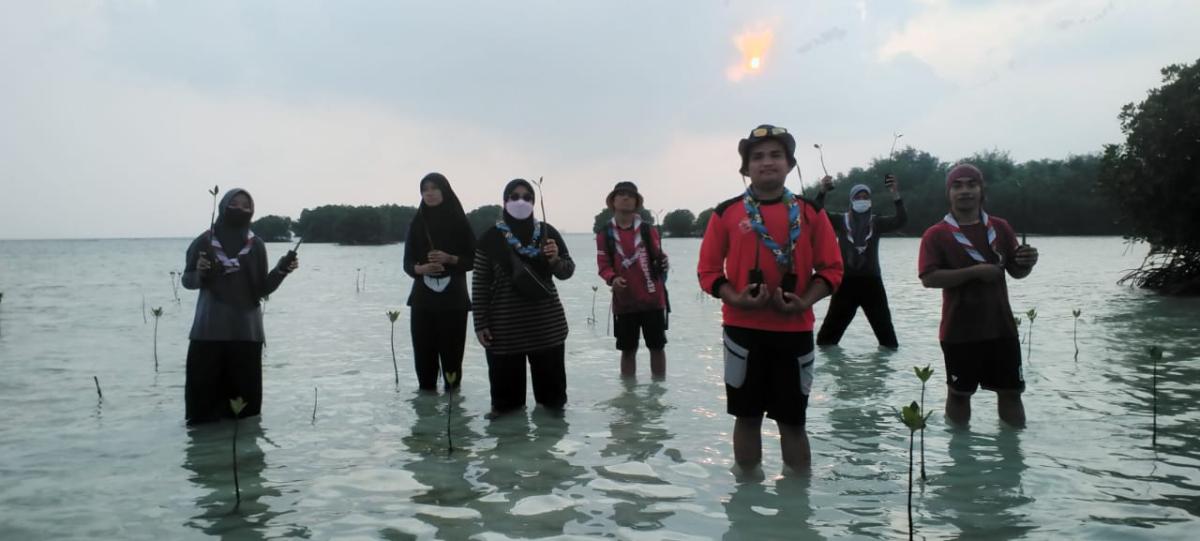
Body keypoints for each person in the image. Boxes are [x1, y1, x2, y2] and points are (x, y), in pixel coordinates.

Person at [697, 124, 843, 472]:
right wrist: (736, 297)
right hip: (742, 330)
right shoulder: (726, 213)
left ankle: (797, 506)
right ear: (745, 168)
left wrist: (805, 301)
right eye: (757, 156)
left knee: (793, 422)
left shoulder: (811, 213)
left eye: (776, 155)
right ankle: (746, 503)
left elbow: (833, 269)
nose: (767, 162)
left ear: (790, 165)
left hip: (795, 332)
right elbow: (708, 272)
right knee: (746, 418)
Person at [918, 163, 1039, 428]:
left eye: (971, 184)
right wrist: (974, 272)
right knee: (959, 395)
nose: (965, 191)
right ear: (948, 193)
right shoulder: (936, 234)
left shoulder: (1000, 227)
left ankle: (1013, 459)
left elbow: (1016, 272)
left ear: (982, 190)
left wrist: (1027, 262)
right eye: (957, 185)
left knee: (1011, 393)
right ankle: (961, 460)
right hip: (959, 331)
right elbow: (928, 278)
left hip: (1001, 327)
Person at [182, 188, 298, 424]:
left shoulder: (256, 245)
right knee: (200, 413)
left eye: (247, 206)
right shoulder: (204, 240)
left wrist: (282, 270)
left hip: (247, 334)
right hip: (208, 333)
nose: (241, 209)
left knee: (246, 416)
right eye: (235, 204)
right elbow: (187, 280)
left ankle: (243, 457)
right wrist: (201, 274)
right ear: (223, 207)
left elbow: (262, 289)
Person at [472, 179, 575, 416]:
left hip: (547, 329)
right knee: (506, 410)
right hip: (504, 331)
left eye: (527, 197)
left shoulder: (548, 233)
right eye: (514, 196)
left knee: (553, 407)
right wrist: (480, 323)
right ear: (505, 201)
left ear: (534, 202)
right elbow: (479, 285)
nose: (521, 201)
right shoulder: (489, 238)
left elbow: (567, 272)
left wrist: (555, 260)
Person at [814, 176, 906, 348]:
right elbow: (816, 213)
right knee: (825, 341)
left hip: (872, 283)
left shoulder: (876, 222)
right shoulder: (841, 221)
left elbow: (900, 221)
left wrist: (895, 194)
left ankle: (884, 374)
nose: (862, 200)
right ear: (851, 200)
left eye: (865, 197)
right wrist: (822, 191)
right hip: (845, 284)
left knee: (889, 342)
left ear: (870, 201)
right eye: (858, 197)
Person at [403, 172, 476, 392]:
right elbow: (407, 263)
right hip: (422, 302)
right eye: (425, 189)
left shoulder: (460, 223)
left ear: (444, 191)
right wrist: (421, 268)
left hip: (454, 302)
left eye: (434, 188)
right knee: (424, 365)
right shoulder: (417, 223)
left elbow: (474, 259)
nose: (430, 193)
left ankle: (453, 416)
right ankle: (426, 418)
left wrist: (450, 259)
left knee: (452, 364)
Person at [596, 181, 670, 379]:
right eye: (621, 194)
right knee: (627, 351)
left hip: (653, 300)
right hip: (625, 303)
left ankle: (658, 392)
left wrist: (664, 262)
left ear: (636, 202)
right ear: (613, 201)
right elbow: (603, 266)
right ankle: (628, 397)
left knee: (657, 347)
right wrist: (612, 279)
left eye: (630, 195)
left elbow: (659, 258)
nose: (626, 198)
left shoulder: (648, 230)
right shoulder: (605, 233)